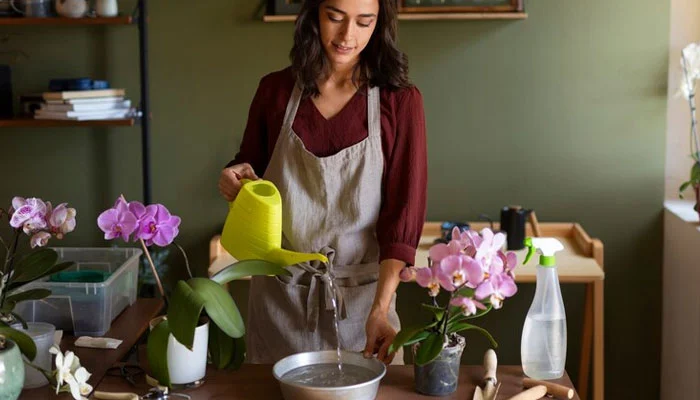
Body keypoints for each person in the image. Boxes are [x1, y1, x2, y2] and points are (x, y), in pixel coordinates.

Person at [218, 0, 426, 365]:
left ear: (379, 25)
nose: (348, 36)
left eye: (365, 22)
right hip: (280, 301)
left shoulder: (399, 102)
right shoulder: (275, 92)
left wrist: (380, 311)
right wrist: (234, 178)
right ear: (314, 14)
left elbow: (402, 221)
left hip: (364, 310)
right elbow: (250, 167)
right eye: (335, 18)